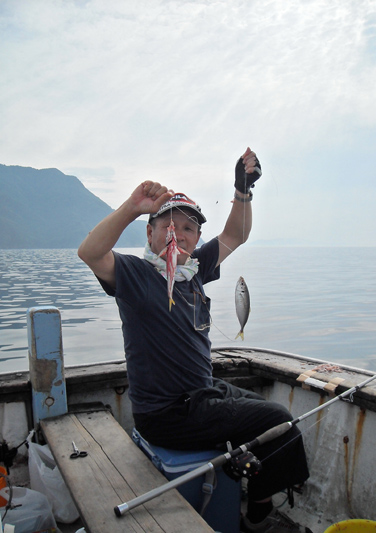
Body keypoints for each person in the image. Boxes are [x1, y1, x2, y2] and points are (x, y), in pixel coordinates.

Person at [78, 148, 312, 533]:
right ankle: (257, 515)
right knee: (278, 420)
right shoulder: (135, 274)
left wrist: (242, 190)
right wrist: (133, 206)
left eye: (188, 228)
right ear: (150, 232)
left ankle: (259, 494)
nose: (178, 233)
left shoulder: (195, 271)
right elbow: (89, 251)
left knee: (266, 412)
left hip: (201, 396)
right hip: (166, 415)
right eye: (168, 225)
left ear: (197, 237)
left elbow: (236, 234)